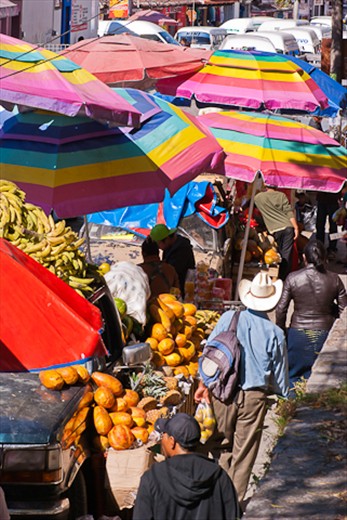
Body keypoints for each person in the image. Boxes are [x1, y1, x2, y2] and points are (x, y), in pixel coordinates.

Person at [194, 272, 289, 506]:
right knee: (244, 453)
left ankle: (216, 498)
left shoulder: (229, 317)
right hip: (254, 397)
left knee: (221, 446)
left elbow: (210, 353)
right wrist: (285, 397)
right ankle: (231, 504)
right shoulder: (275, 333)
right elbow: (280, 375)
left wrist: (202, 384)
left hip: (223, 391)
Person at [133, 413, 241, 520]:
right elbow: (233, 515)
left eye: (163, 436)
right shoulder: (219, 476)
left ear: (172, 441)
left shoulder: (152, 478)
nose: (162, 441)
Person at [276, 239, 347, 388]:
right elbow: (343, 313)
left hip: (298, 335)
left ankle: (292, 409)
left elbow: (281, 309)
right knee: (321, 384)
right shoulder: (335, 279)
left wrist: (283, 333)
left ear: (304, 257)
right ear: (324, 258)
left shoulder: (293, 278)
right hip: (325, 335)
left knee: (294, 379)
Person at [254, 185, 299, 280]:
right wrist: (296, 227)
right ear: (276, 187)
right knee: (286, 256)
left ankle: (276, 278)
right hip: (288, 228)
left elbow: (249, 203)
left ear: (265, 186)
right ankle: (283, 280)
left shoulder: (258, 197)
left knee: (276, 255)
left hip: (274, 231)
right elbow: (289, 212)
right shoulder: (281, 195)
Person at [150, 224, 195, 296]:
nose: (159, 248)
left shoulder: (182, 250)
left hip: (183, 289)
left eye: (158, 245)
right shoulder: (170, 247)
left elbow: (173, 272)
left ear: (166, 239)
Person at [315, 191, 341, 259]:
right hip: (321, 199)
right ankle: (319, 247)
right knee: (319, 225)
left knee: (333, 226)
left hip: (333, 199)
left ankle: (332, 248)